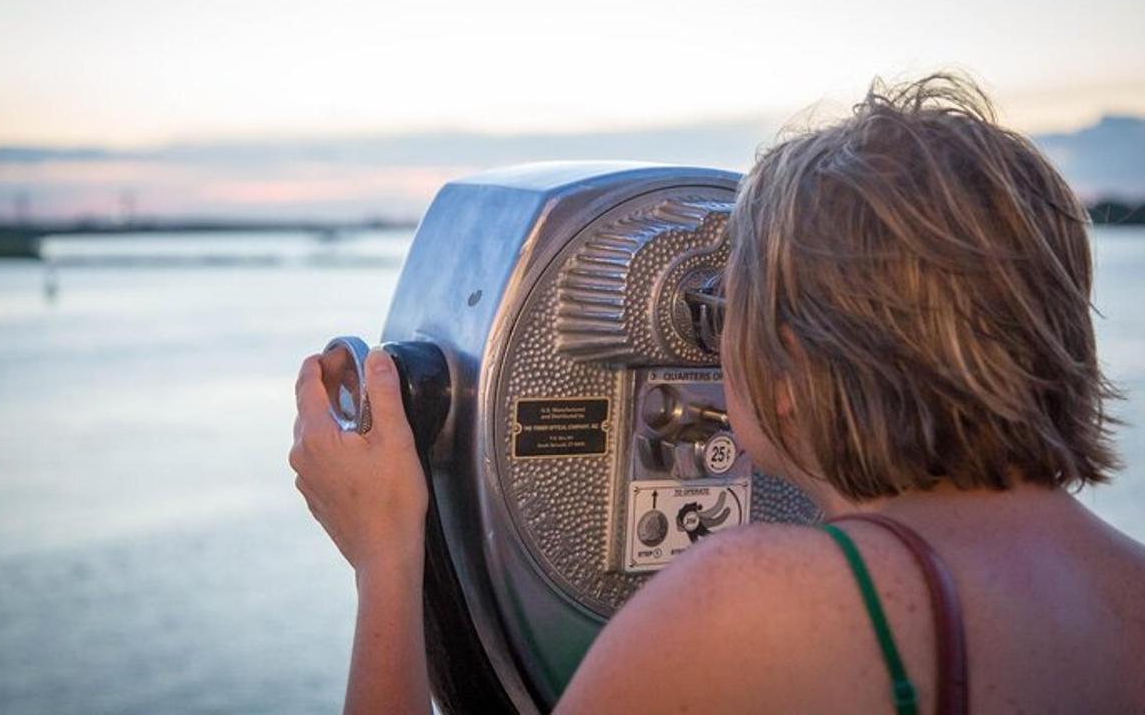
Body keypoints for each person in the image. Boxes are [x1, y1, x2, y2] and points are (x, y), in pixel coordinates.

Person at [289, 74, 1145, 714]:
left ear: (792, 353)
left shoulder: (757, 603)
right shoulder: (1126, 588)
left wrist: (388, 552)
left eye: (733, 306)